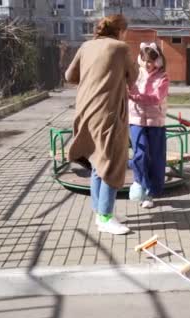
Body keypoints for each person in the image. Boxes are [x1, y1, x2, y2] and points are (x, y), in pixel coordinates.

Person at [64, 14, 138, 235]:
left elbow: (69, 75)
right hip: (109, 114)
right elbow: (133, 77)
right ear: (120, 31)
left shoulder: (86, 46)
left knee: (98, 162)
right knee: (113, 165)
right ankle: (106, 218)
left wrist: (92, 79)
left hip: (85, 112)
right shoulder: (121, 48)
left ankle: (100, 213)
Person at [128, 42, 170, 209]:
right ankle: (140, 183)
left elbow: (156, 98)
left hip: (155, 122)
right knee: (140, 155)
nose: (148, 64)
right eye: (145, 60)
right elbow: (126, 89)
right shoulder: (136, 75)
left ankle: (150, 193)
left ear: (158, 61)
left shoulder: (163, 77)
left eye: (151, 61)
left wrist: (135, 97)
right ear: (140, 60)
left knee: (155, 158)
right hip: (136, 120)